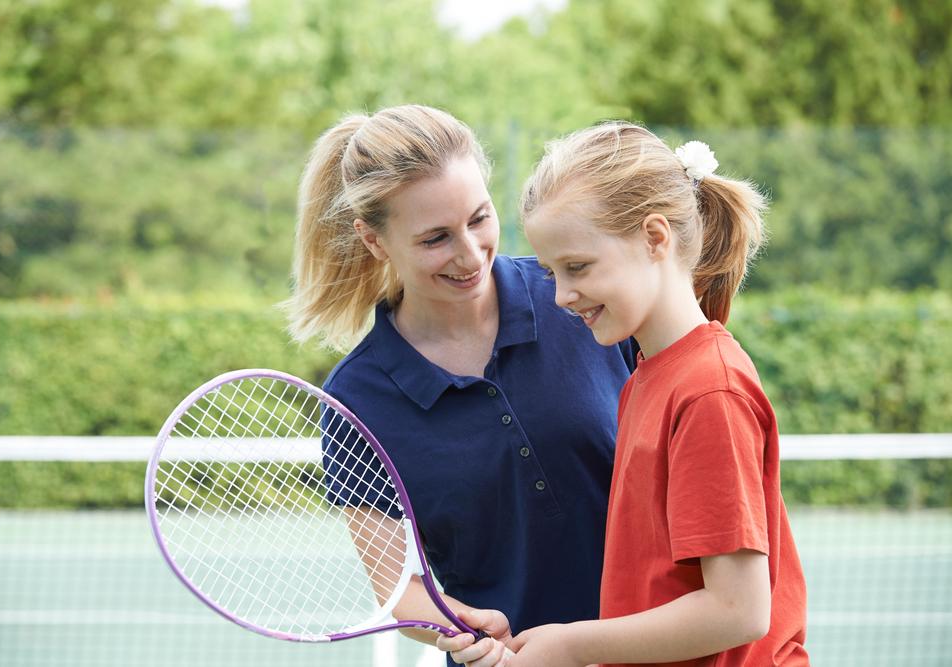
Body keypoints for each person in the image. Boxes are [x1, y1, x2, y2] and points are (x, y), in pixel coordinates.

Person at [285, 105, 638, 666]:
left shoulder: (579, 301)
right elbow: (401, 591)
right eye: (435, 238)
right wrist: (454, 625)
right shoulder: (357, 401)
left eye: (479, 218)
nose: (470, 254)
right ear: (374, 240)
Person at [502, 122, 808, 666]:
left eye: (577, 267)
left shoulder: (709, 390)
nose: (562, 296)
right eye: (551, 272)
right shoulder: (646, 375)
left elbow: (740, 610)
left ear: (655, 238)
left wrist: (573, 645)